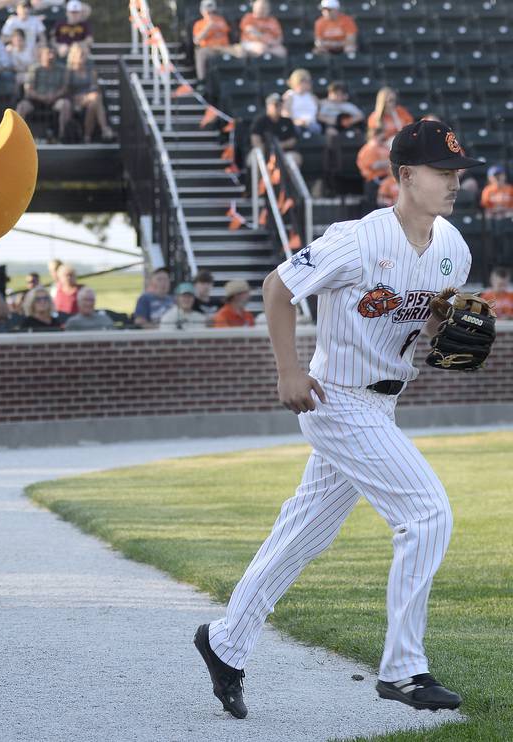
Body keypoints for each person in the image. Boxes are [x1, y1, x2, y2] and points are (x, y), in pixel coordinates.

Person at [194, 119, 480, 719]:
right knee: (426, 513)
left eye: (458, 173)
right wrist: (289, 370)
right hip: (337, 398)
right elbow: (277, 287)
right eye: (442, 173)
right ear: (406, 176)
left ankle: (225, 642)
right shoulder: (355, 240)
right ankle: (403, 670)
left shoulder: (453, 248)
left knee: (304, 531)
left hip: (383, 402)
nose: (455, 183)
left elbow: (427, 316)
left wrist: (438, 329)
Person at [15, 45, 72, 142]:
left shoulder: (62, 69)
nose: (51, 56)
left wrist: (54, 96)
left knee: (65, 105)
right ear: (41, 55)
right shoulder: (34, 69)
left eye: (53, 53)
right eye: (48, 53)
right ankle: (17, 138)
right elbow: (28, 89)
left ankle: (63, 136)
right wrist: (41, 97)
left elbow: (65, 88)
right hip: (36, 100)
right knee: (21, 107)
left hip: (55, 99)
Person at [66, 43, 114, 143]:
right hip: (75, 101)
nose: (83, 57)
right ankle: (104, 129)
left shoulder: (90, 70)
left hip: (90, 98)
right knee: (96, 98)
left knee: (94, 103)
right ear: (74, 55)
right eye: (81, 54)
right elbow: (67, 90)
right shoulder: (68, 72)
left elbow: (95, 86)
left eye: (84, 54)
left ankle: (87, 136)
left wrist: (89, 96)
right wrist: (82, 97)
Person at [250, 93, 300, 167]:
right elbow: (255, 140)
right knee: (257, 156)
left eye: (280, 105)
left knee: (294, 158)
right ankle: (260, 179)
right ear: (268, 106)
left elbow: (293, 140)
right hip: (264, 151)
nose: (279, 107)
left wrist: (280, 145)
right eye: (276, 105)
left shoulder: (287, 121)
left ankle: (287, 179)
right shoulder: (260, 120)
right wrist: (266, 150)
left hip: (283, 151)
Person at [192, 0, 233, 82]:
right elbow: (196, 40)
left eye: (211, 11)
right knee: (200, 53)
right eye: (207, 11)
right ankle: (202, 80)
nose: (210, 13)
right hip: (209, 48)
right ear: (202, 11)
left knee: (241, 51)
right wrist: (208, 27)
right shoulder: (199, 23)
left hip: (224, 48)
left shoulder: (221, 20)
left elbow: (226, 31)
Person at [357, 127, 391, 211]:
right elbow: (374, 165)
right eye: (383, 138)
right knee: (372, 208)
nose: (384, 140)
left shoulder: (383, 147)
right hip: (374, 182)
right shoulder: (370, 148)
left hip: (385, 180)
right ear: (375, 136)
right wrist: (391, 161)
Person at [282, 68, 320, 134]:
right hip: (295, 124)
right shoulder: (290, 96)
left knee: (316, 128)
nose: (309, 83)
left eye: (309, 81)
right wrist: (296, 121)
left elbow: (317, 113)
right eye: (305, 81)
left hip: (311, 124)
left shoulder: (313, 97)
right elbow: (285, 113)